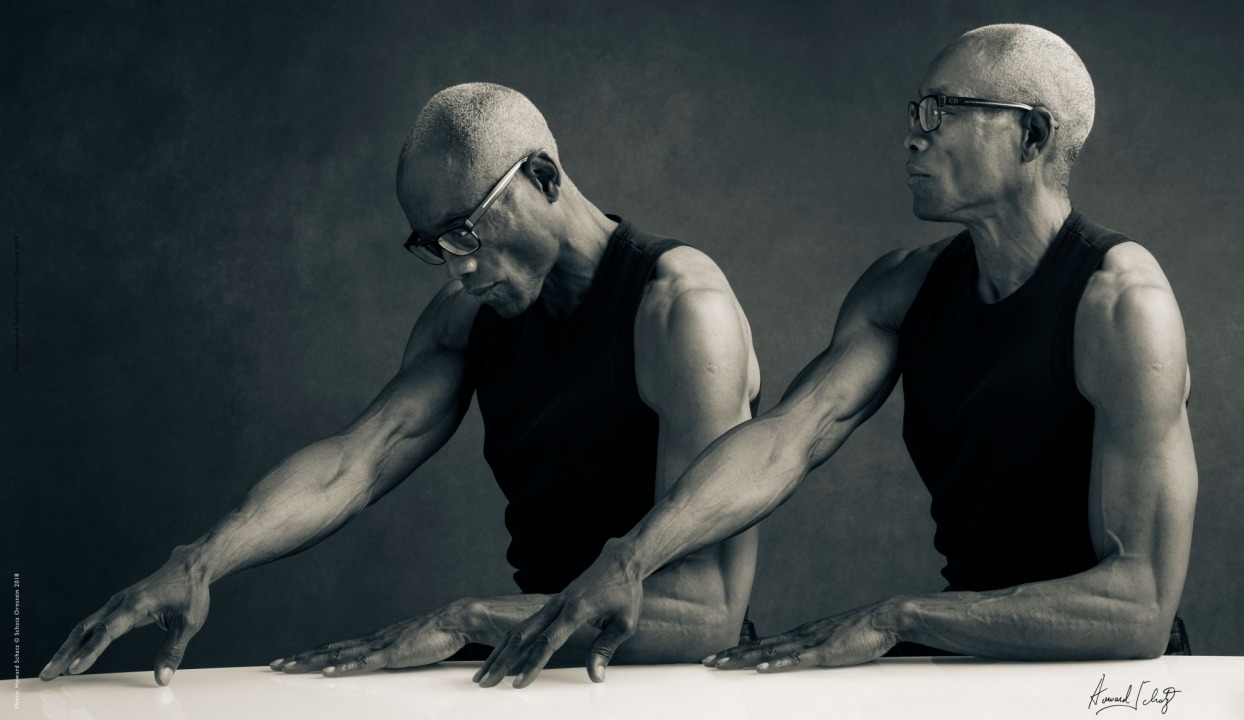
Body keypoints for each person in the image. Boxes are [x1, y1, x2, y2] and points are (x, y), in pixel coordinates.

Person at [474, 24, 1198, 688]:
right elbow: (789, 438)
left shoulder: (1124, 304)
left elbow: (1137, 606)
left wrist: (897, 619)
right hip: (976, 663)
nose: (914, 137)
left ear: (1032, 135)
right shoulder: (901, 288)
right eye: (915, 111)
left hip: (1116, 683)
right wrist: (631, 557)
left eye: (941, 111)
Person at [39, 82, 761, 686]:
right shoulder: (468, 315)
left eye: (466, 233)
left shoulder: (682, 311)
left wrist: (465, 620)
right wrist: (199, 561)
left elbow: (707, 613)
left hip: (666, 680)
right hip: (535, 663)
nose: (457, 269)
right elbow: (356, 462)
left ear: (542, 179)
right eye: (433, 245)